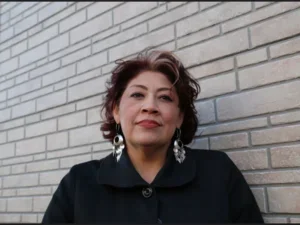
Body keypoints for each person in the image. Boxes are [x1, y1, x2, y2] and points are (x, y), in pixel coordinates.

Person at [42, 49, 264, 224]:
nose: (150, 106)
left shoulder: (218, 172)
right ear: (116, 111)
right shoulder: (79, 183)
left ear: (179, 117)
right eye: (138, 94)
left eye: (165, 98)